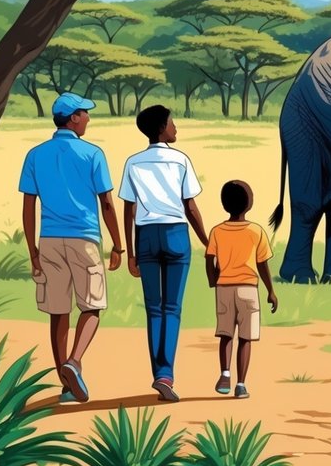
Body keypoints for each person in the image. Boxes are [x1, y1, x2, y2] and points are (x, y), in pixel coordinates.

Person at [20, 92, 126, 404]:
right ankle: (75, 361)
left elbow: (28, 207)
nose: (88, 119)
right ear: (74, 118)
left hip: (49, 240)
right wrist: (118, 245)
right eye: (85, 113)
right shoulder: (93, 154)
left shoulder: (35, 154)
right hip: (85, 238)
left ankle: (65, 385)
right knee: (92, 306)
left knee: (58, 311)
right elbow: (106, 203)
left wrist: (32, 251)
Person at [120, 104, 209, 402]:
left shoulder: (133, 162)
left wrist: (130, 251)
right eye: (172, 123)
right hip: (175, 235)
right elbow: (191, 207)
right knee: (172, 308)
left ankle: (160, 372)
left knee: (153, 310)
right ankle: (165, 374)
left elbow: (128, 209)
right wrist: (208, 241)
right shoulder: (180, 160)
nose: (175, 128)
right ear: (161, 128)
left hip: (145, 236)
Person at [205, 180, 278, 399]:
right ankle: (241, 384)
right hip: (248, 288)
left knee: (226, 335)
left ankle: (225, 374)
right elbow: (263, 264)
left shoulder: (217, 231)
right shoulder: (256, 231)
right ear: (249, 203)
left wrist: (213, 280)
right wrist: (270, 291)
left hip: (224, 287)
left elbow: (210, 259)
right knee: (245, 338)